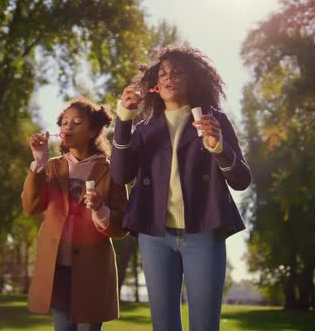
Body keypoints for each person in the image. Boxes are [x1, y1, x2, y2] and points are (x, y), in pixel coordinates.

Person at [110, 46, 252, 331]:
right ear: (155, 84)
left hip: (204, 231)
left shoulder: (216, 122)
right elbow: (120, 173)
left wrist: (219, 149)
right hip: (155, 235)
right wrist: (123, 121)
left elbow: (241, 180)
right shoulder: (145, 129)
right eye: (162, 73)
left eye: (177, 72)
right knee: (163, 326)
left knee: (205, 324)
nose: (168, 77)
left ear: (194, 80)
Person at [22, 97, 128, 331]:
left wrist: (101, 209)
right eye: (64, 123)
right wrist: (39, 163)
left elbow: (122, 227)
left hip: (93, 271)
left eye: (77, 122)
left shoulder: (111, 170)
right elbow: (31, 207)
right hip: (57, 269)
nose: (68, 127)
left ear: (92, 131)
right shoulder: (52, 167)